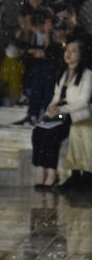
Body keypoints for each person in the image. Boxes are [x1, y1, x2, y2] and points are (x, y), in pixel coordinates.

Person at [32, 39, 91, 190]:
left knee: (52, 133)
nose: (68, 54)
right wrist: (50, 110)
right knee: (38, 131)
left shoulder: (87, 75)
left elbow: (83, 101)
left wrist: (61, 109)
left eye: (73, 51)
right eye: (67, 50)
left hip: (75, 115)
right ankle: (40, 169)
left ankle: (52, 173)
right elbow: (55, 97)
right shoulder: (62, 74)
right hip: (60, 113)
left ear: (81, 55)